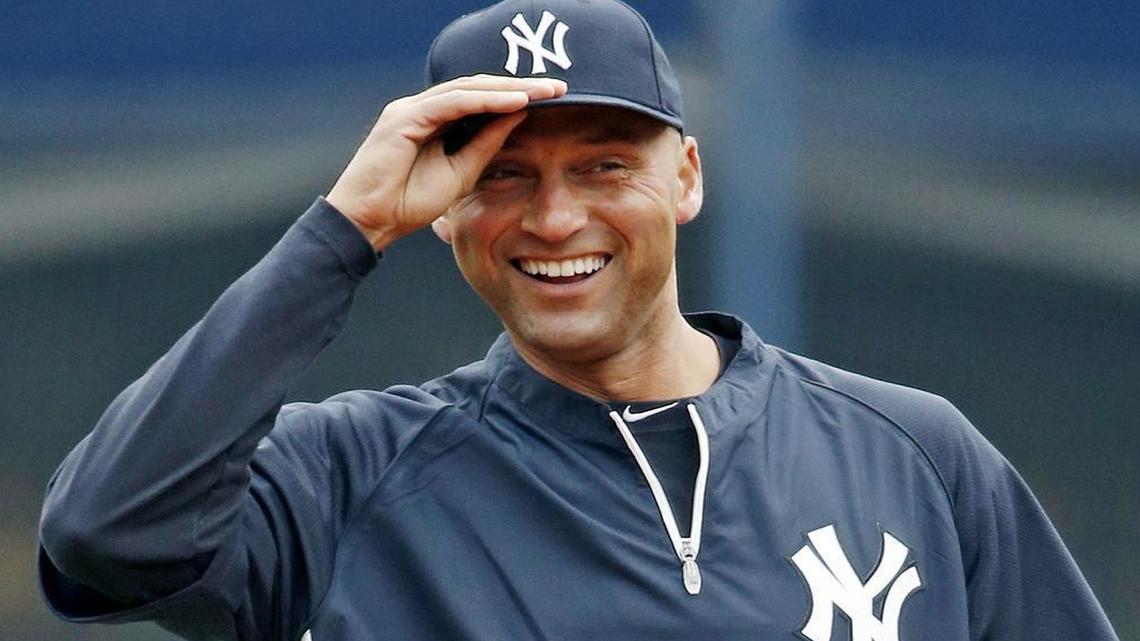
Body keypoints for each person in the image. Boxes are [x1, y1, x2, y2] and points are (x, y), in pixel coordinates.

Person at [38, 1, 1119, 640]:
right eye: (503, 175)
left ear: (687, 176)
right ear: (443, 206)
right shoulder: (352, 474)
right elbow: (108, 531)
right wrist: (343, 229)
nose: (556, 217)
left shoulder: (915, 455)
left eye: (605, 164)